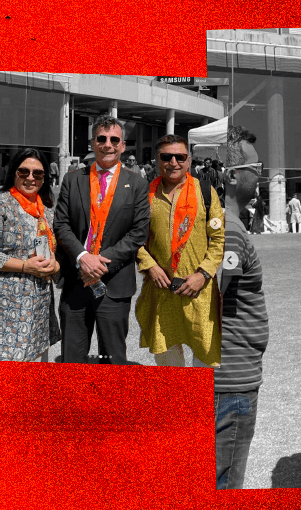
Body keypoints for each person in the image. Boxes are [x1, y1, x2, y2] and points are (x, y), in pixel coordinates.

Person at [53, 115, 150, 364]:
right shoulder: (72, 179)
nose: (108, 145)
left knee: (112, 360)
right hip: (76, 281)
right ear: (92, 143)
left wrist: (99, 263)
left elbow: (138, 232)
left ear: (123, 145)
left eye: (114, 140)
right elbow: (61, 224)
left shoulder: (137, 184)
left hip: (114, 283)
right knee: (72, 360)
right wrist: (83, 257)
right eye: (102, 139)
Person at [134, 134, 225, 367]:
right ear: (157, 160)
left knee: (203, 365)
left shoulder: (205, 192)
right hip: (162, 291)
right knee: (169, 368)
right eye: (166, 157)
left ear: (189, 160)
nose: (173, 162)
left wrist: (203, 274)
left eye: (180, 157)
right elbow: (133, 238)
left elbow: (218, 240)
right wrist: (150, 266)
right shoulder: (145, 195)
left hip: (199, 291)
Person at [215, 125, 269, 489]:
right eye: (256, 168)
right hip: (232, 378)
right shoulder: (230, 230)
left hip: (230, 371)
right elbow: (211, 298)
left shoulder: (226, 224)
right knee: (226, 480)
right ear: (233, 176)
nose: (260, 175)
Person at [0, 148, 62, 362]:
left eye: (38, 173)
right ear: (13, 173)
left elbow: (55, 251)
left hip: (39, 304)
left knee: (36, 363)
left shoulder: (47, 211)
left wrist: (55, 266)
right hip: (7, 305)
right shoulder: (3, 205)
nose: (30, 178)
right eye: (24, 171)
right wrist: (25, 266)